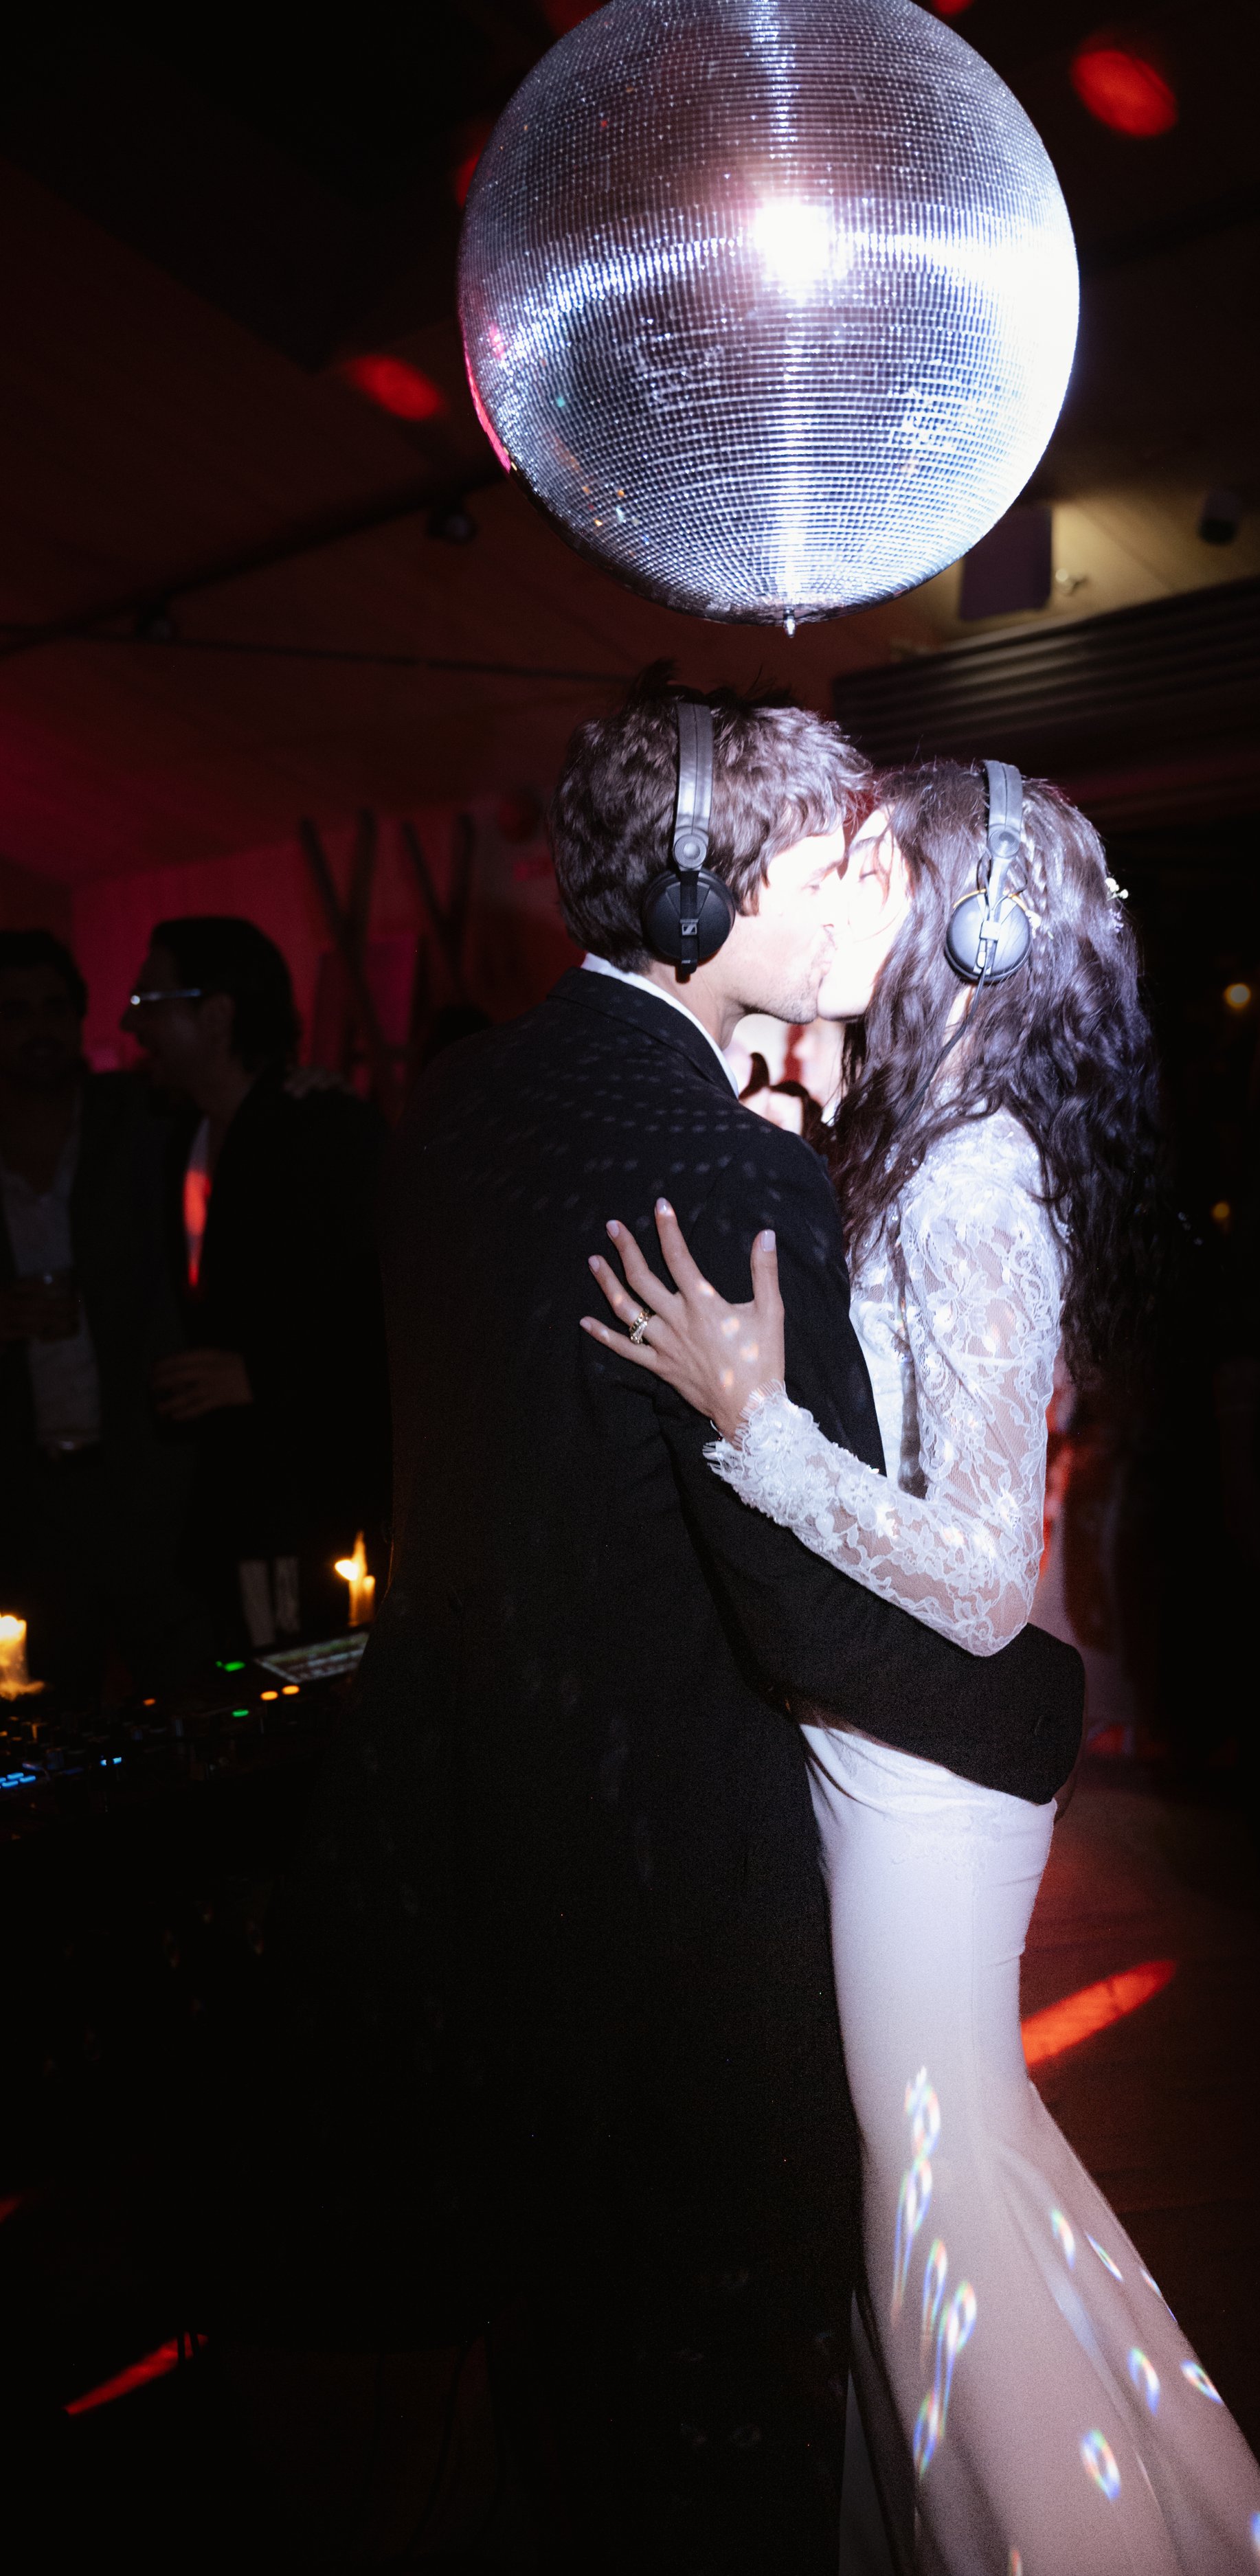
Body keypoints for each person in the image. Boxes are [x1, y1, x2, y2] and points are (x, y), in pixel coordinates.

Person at [273, 685, 1085, 2572]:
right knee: (709, 2424)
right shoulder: (732, 1165)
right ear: (725, 882)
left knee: (562, 2406)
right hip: (671, 1916)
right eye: (830, 863)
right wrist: (1031, 1707)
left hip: (468, 1856)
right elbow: (799, 1602)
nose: (855, 903)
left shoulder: (458, 1094)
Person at [587, 767, 1260, 2575]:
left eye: (876, 863)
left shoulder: (976, 1174)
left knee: (932, 2186)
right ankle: (1170, 2516)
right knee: (961, 2153)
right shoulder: (941, 1136)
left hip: (924, 1768)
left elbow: (983, 1577)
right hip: (889, 1750)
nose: (839, 888)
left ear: (973, 928)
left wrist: (754, 1423)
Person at [124, 918, 389, 1649]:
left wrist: (261, 1377)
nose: (128, 1023)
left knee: (304, 1704)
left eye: (150, 1002)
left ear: (216, 1016)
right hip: (232, 1508)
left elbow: (388, 1315)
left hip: (313, 1506)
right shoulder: (178, 1134)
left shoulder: (327, 1133)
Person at [0, 927, 204, 1700]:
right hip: (23, 1492)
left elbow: (237, 1107)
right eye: (14, 1011)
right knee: (48, 1708)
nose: (38, 1027)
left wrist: (301, 1087)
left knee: (184, 1692)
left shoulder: (139, 1119)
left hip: (143, 1476)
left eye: (54, 1007)